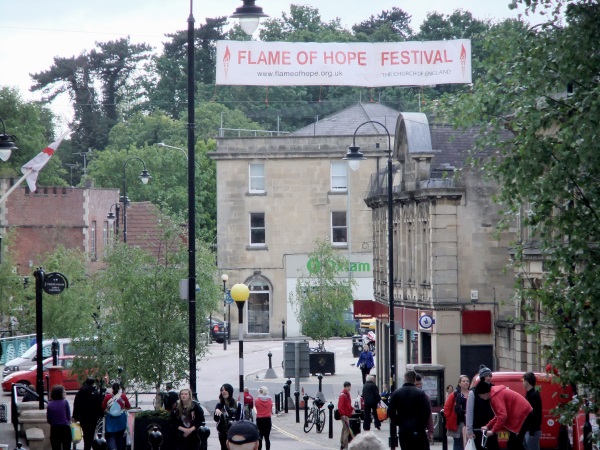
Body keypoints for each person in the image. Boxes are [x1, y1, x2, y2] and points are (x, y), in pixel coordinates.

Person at [475, 380, 533, 450]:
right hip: (525, 414)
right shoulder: (496, 393)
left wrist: (493, 431)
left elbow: (502, 416)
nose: (481, 398)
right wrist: (488, 426)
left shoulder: (495, 397)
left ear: (484, 393)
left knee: (514, 444)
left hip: (523, 415)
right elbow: (499, 415)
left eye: (480, 395)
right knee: (514, 443)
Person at [388, 370, 431, 450]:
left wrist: (399, 421)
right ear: (414, 379)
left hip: (404, 429)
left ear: (405, 379)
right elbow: (427, 411)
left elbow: (391, 411)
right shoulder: (421, 393)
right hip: (418, 429)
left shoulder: (397, 393)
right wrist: (421, 423)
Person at [466, 365, 500, 450]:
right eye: (486, 376)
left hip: (491, 428)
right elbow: (469, 412)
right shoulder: (473, 392)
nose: (488, 378)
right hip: (478, 429)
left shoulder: (494, 389)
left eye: (490, 376)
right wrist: (469, 430)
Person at [73, 377, 104, 450]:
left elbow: (76, 405)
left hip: (83, 417)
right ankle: (88, 446)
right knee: (91, 433)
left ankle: (86, 445)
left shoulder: (80, 393)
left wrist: (75, 416)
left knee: (85, 432)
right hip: (93, 418)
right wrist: (101, 414)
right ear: (93, 384)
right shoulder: (95, 393)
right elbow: (99, 405)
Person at [102, 382, 131, 450]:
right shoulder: (123, 396)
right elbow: (128, 406)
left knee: (111, 436)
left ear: (112, 389)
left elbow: (103, 407)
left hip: (110, 419)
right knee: (120, 436)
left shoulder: (107, 397)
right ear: (119, 389)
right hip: (121, 419)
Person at [444, 375, 470, 450]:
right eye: (463, 381)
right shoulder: (455, 395)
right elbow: (447, 408)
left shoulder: (472, 393)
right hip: (458, 422)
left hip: (469, 422)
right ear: (459, 383)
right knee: (458, 443)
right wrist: (450, 418)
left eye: (467, 381)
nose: (466, 383)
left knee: (469, 442)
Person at [215, 383, 242, 450]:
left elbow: (241, 418)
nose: (223, 391)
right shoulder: (219, 405)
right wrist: (217, 412)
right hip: (223, 432)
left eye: (225, 390)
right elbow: (216, 419)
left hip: (234, 432)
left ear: (230, 391)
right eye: (222, 390)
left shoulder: (237, 404)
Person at [46, 384, 72, 450]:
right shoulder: (65, 402)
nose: (65, 393)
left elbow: (49, 419)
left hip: (54, 429)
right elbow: (68, 417)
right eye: (64, 392)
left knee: (56, 447)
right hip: (65, 428)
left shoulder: (49, 404)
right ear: (60, 393)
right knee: (66, 447)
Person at [522, 372, 542, 450]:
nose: (522, 383)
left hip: (532, 431)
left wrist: (531, 430)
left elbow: (534, 415)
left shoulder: (533, 396)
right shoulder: (529, 394)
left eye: (523, 381)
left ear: (527, 382)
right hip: (529, 430)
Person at [415, 373, 435, 444]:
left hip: (421, 428)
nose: (419, 386)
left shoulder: (425, 397)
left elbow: (429, 414)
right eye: (416, 384)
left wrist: (430, 431)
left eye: (420, 384)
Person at [254, 386, 273, 450]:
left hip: (260, 419)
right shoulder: (270, 400)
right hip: (268, 419)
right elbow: (270, 409)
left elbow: (256, 408)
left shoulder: (257, 400)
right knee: (267, 438)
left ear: (260, 391)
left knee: (260, 437)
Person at [338, 381, 355, 450]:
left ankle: (342, 444)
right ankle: (345, 445)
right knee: (347, 430)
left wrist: (352, 409)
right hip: (345, 415)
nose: (349, 388)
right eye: (347, 387)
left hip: (346, 414)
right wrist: (343, 415)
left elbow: (348, 404)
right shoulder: (343, 395)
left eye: (349, 386)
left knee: (344, 429)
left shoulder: (347, 394)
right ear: (344, 387)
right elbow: (340, 406)